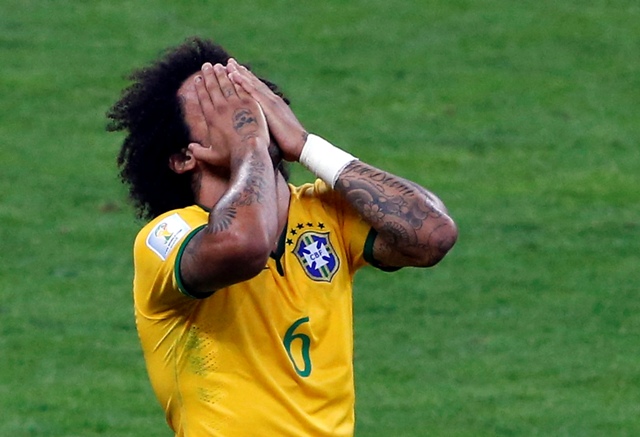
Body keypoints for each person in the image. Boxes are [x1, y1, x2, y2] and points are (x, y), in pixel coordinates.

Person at [107, 37, 457, 437]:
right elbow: (245, 245)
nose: (245, 108)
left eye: (246, 90)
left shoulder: (328, 212)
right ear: (185, 156)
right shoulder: (168, 236)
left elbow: (433, 234)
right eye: (218, 102)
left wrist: (308, 146)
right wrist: (251, 144)